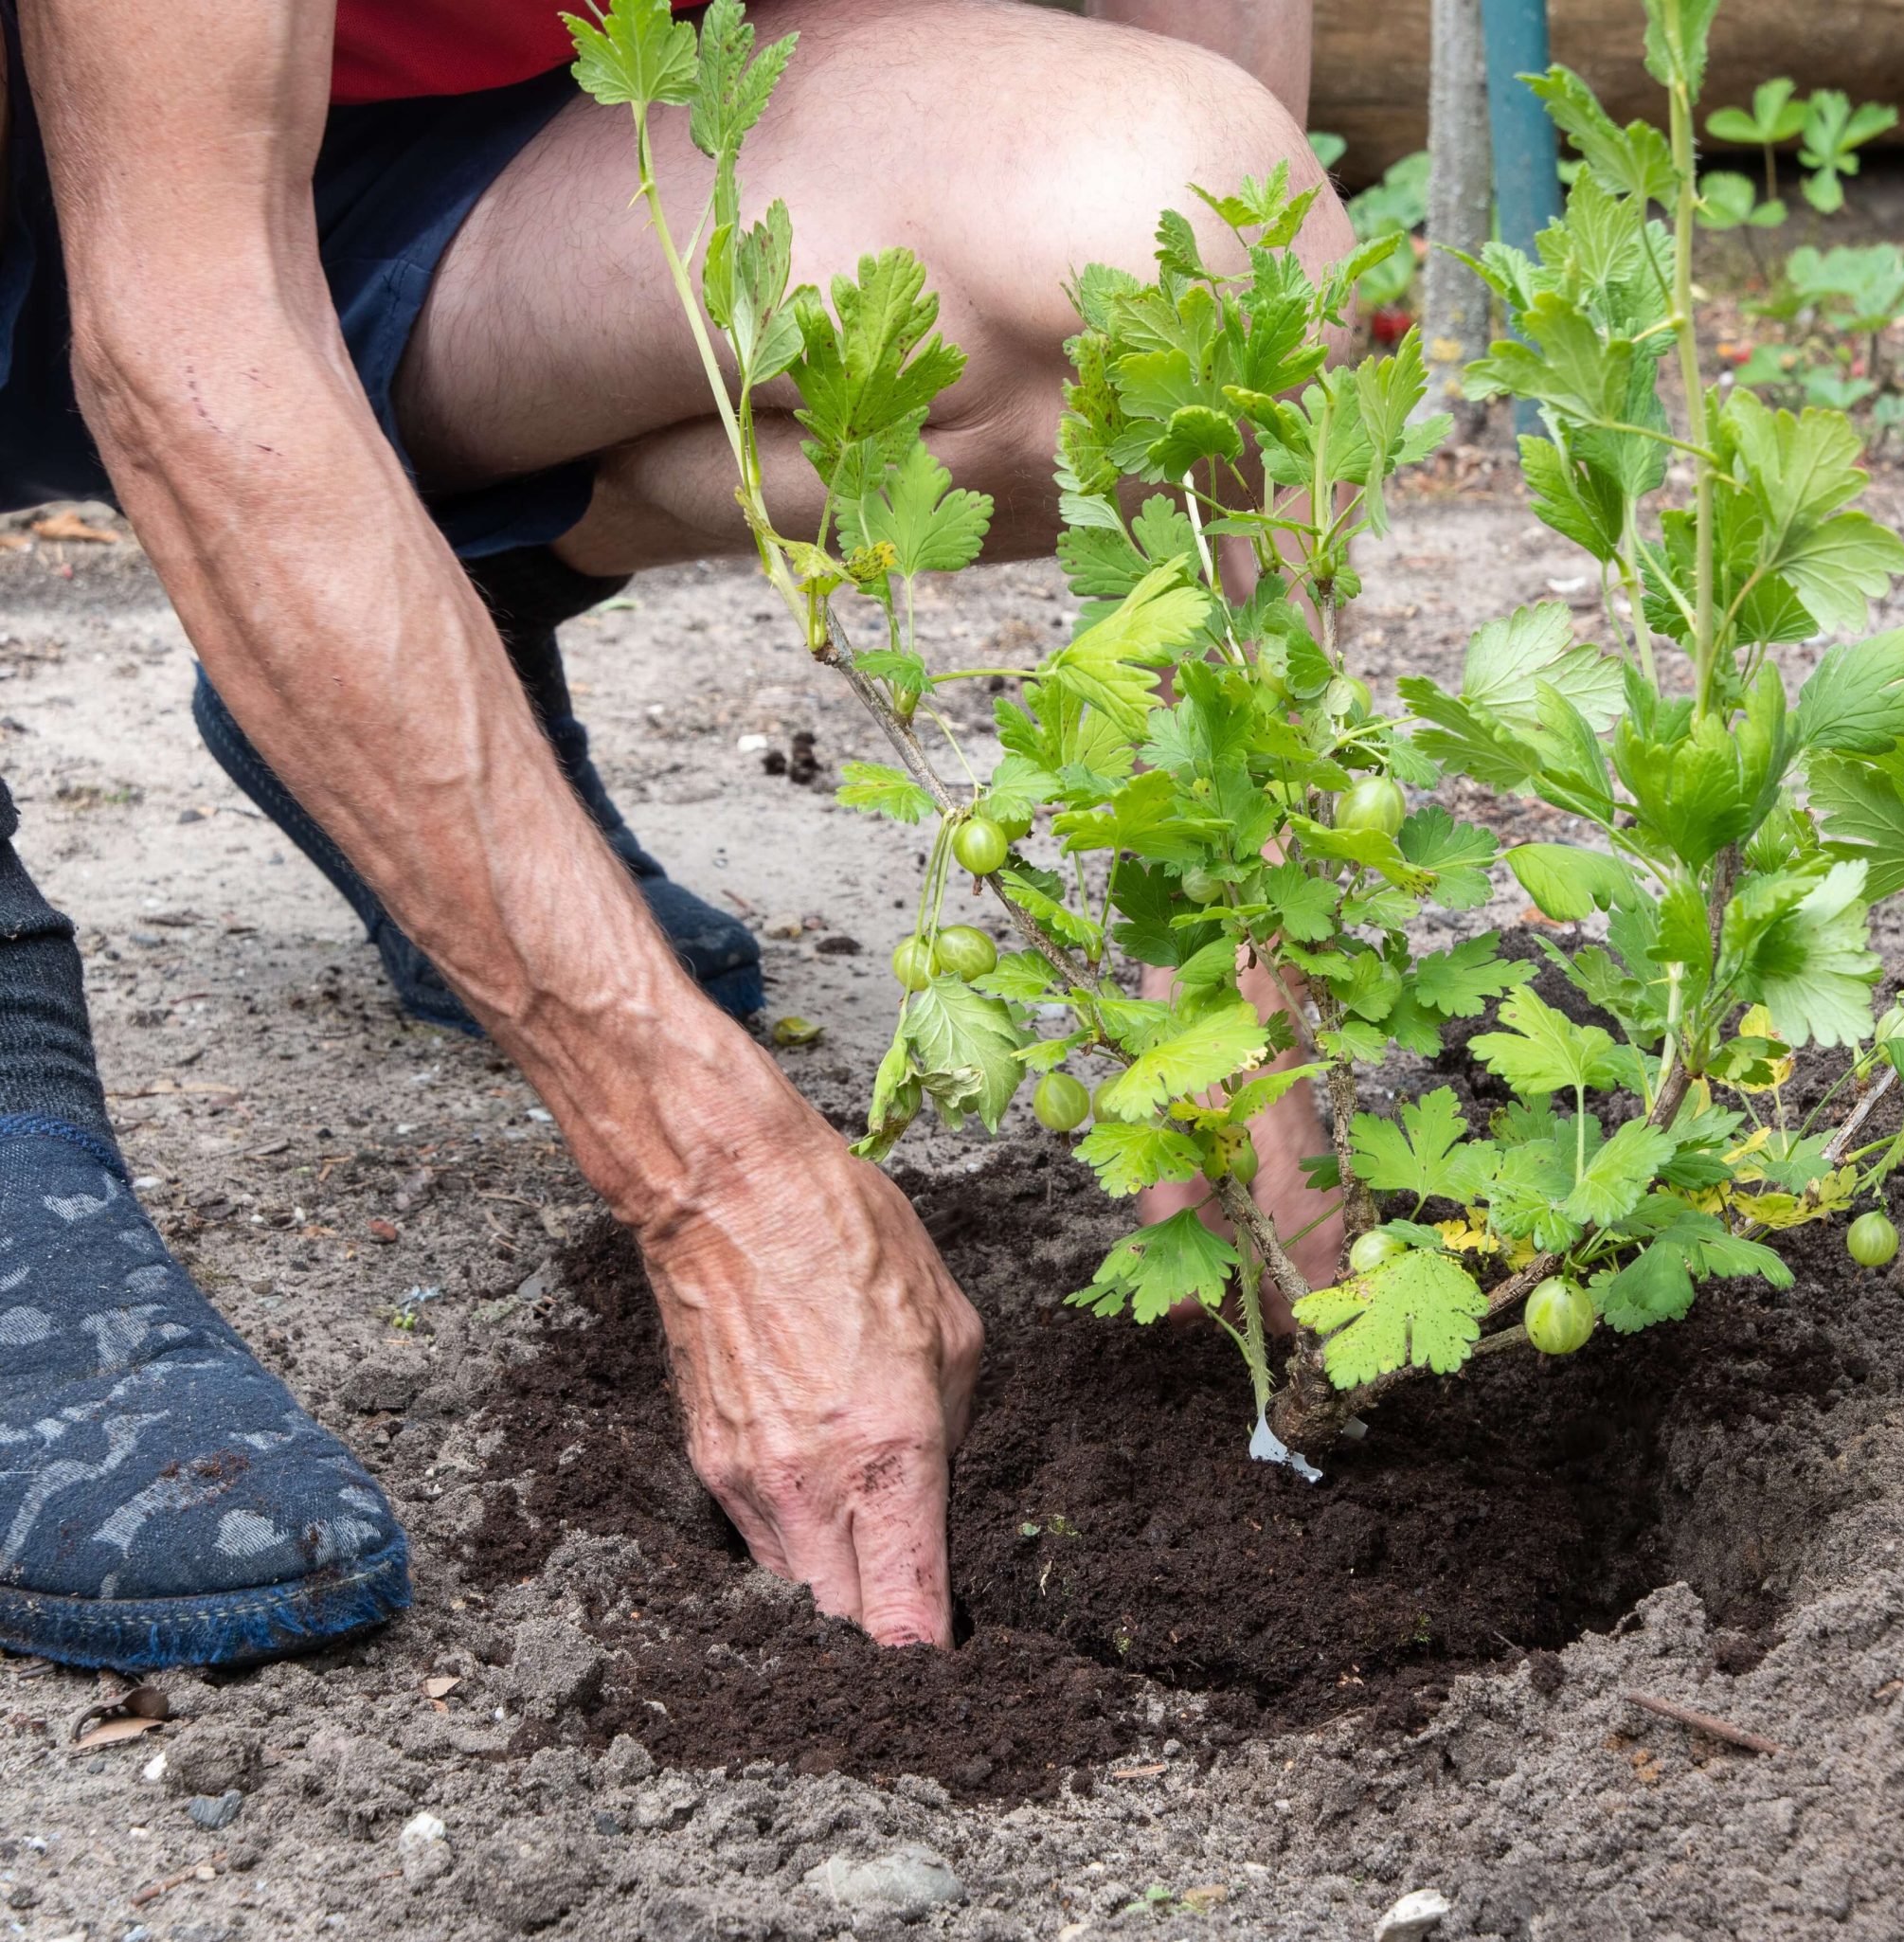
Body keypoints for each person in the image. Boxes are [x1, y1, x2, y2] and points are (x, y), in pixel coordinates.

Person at [0, 0, 1348, 1666]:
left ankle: (393, 658)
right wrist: (721, 1181)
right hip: (127, 194)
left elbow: (1219, 351)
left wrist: (1240, 992)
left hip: (465, 172)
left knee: (1171, 223)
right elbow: (187, 333)